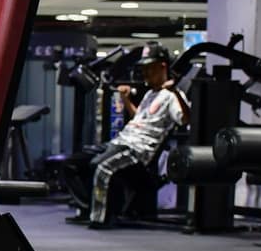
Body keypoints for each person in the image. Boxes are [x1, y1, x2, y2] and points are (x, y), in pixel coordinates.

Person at [62, 42, 191, 228]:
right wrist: (125, 99)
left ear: (162, 67)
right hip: (120, 142)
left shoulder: (172, 96)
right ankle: (88, 208)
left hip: (137, 150)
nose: (145, 73)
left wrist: (176, 92)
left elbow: (185, 119)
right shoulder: (150, 94)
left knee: (100, 166)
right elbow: (139, 117)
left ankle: (101, 218)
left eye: (149, 68)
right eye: (143, 69)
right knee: (72, 164)